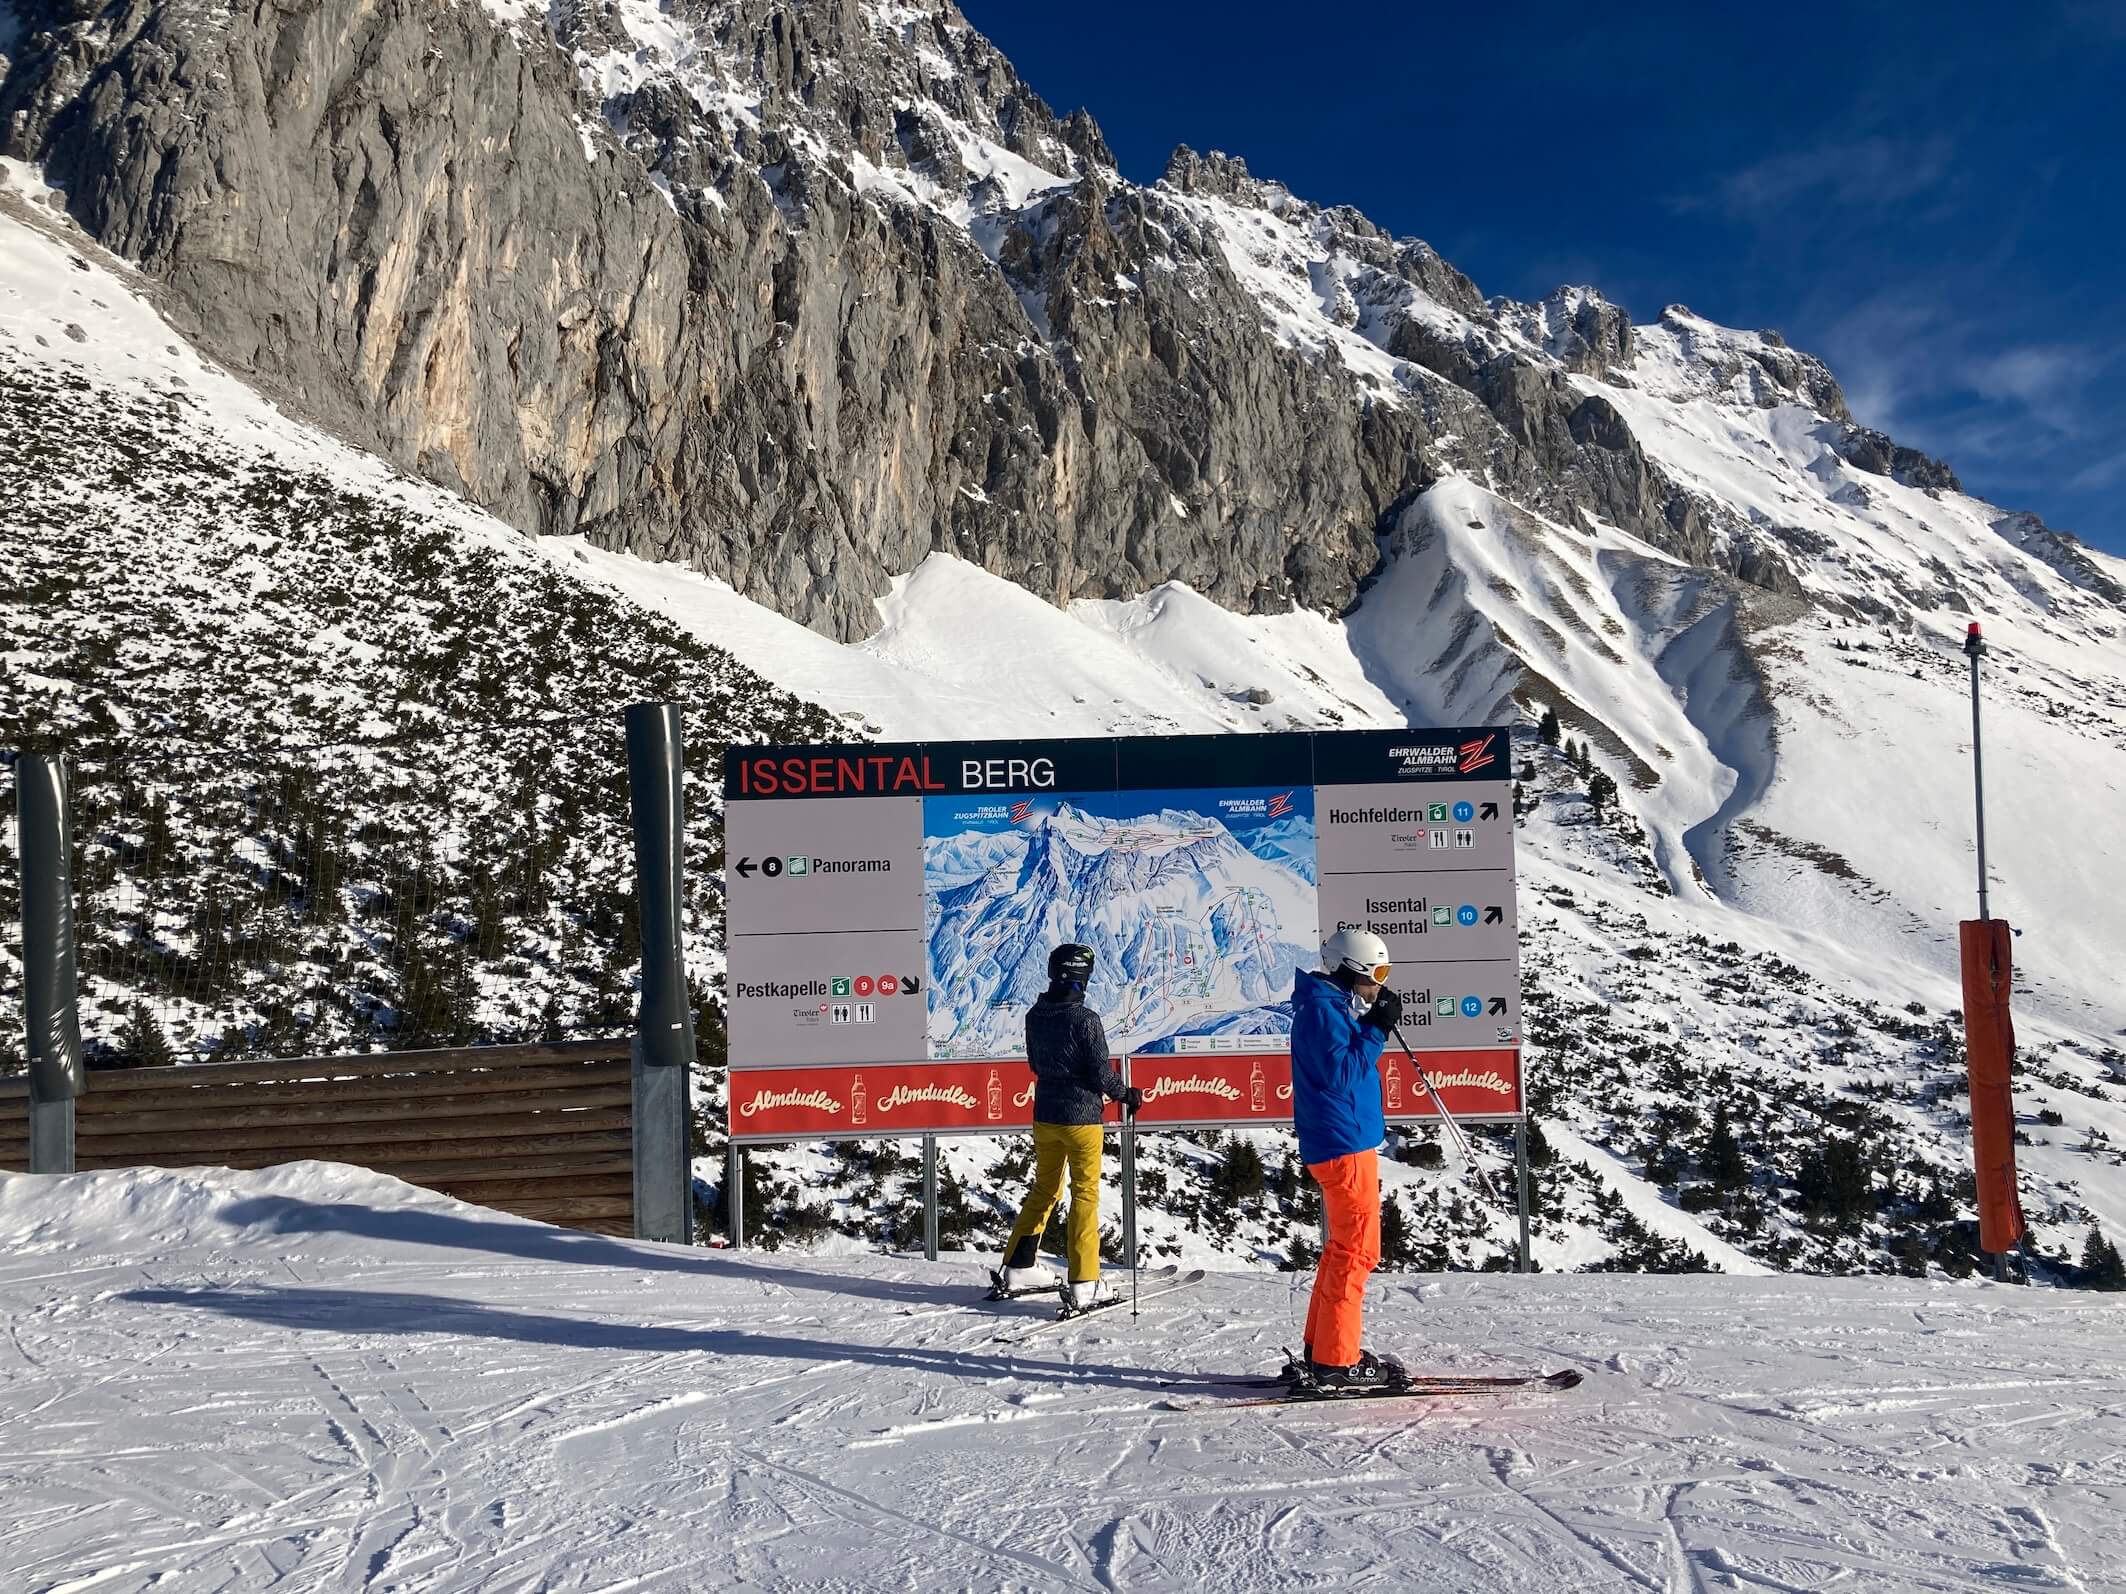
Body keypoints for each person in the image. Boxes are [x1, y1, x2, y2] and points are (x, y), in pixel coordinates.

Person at [993, 943, 1145, 1310]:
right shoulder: (1085, 1019)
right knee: (1085, 1196)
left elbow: (1034, 1063)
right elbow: (1099, 1073)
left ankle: (1018, 1266)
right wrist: (1127, 1094)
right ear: (1085, 977)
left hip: (1045, 1115)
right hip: (1082, 1121)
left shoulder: (1035, 1015)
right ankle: (1085, 1283)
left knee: (1045, 1189)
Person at [1289, 927, 1404, 1388]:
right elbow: (1341, 1074)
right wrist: (1376, 1028)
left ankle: (1323, 1350)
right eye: (1375, 973)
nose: (1380, 983)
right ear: (1349, 970)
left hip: (1342, 1140)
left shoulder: (1329, 1006)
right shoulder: (1322, 1011)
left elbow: (1342, 1060)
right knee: (1357, 1253)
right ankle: (1338, 1362)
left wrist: (1369, 1021)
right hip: (1344, 1145)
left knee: (1343, 1250)